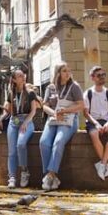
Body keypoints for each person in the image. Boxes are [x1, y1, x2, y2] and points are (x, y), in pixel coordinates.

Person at [40, 62, 84, 191]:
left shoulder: (74, 87)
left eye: (68, 70)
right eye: (64, 70)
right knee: (43, 142)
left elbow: (81, 105)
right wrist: (54, 113)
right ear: (58, 73)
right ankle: (52, 177)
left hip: (69, 119)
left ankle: (50, 175)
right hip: (53, 118)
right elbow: (44, 105)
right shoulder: (51, 88)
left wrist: (64, 111)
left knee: (59, 141)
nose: (68, 73)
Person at [83, 65, 108, 180]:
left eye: (104, 75)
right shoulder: (88, 93)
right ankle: (105, 165)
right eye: (99, 75)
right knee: (94, 134)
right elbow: (86, 113)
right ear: (92, 77)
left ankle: (102, 164)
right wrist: (96, 124)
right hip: (93, 121)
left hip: (107, 120)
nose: (102, 77)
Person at [5, 68, 40, 188]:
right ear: (14, 80)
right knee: (11, 151)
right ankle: (12, 177)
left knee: (20, 144)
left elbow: (34, 111)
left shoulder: (30, 93)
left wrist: (25, 122)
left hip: (27, 120)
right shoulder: (11, 93)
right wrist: (2, 117)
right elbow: (9, 110)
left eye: (23, 75)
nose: (23, 77)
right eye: (19, 76)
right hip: (14, 121)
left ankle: (25, 171)